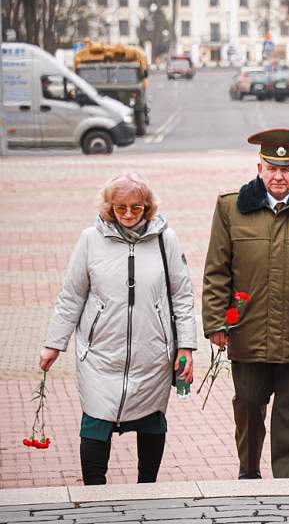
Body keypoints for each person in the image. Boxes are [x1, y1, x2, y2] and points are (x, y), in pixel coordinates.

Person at [202, 128, 289, 479]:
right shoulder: (230, 208)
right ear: (259, 168)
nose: (278, 176)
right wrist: (216, 323)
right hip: (247, 330)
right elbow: (217, 272)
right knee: (248, 406)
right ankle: (248, 470)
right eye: (271, 168)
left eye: (287, 168)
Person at [41, 172, 197, 485]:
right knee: (95, 421)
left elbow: (182, 295)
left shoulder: (166, 239)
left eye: (135, 208)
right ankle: (94, 493)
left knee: (153, 421)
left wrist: (187, 347)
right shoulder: (89, 239)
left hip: (152, 353)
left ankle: (146, 487)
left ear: (147, 207)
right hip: (99, 353)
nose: (127, 214)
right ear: (109, 208)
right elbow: (71, 295)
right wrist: (53, 343)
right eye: (120, 207)